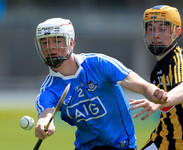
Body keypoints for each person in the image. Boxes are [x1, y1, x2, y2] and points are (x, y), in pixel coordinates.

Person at [34, 18, 168, 150]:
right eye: (44, 42)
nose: (50, 47)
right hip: (86, 147)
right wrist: (43, 125)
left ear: (71, 41)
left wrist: (153, 91)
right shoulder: (48, 90)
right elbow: (46, 115)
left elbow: (139, 84)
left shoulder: (98, 63)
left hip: (120, 144)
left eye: (57, 40)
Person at [129, 5, 183, 150]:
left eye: (162, 29)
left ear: (177, 32)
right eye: (151, 29)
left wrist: (159, 102)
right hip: (163, 140)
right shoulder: (157, 70)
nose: (155, 34)